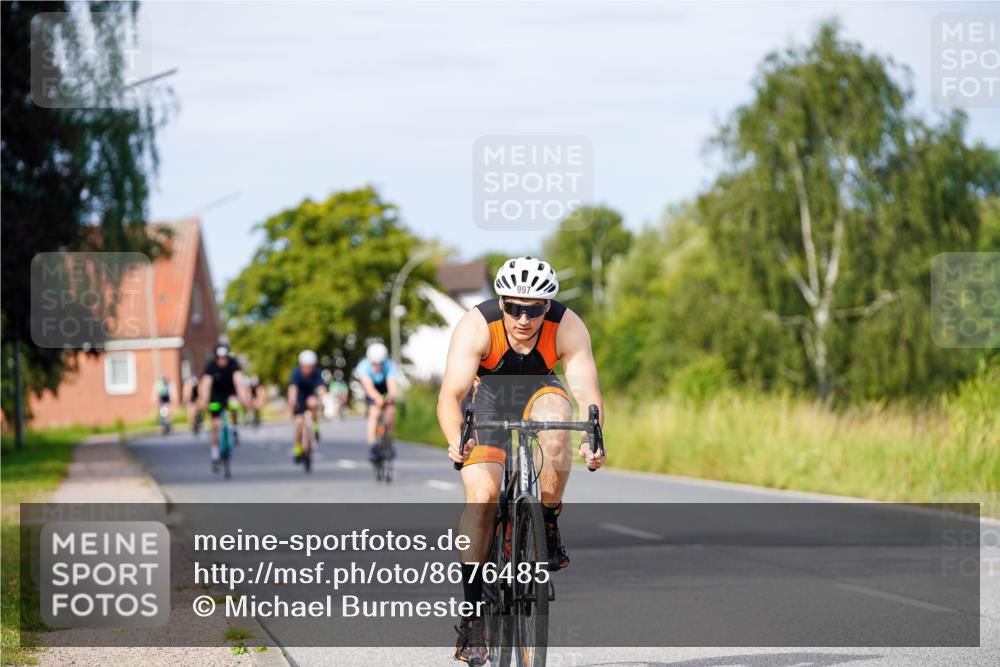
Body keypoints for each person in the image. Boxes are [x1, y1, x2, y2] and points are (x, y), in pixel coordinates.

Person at [437, 256, 606, 664]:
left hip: (539, 390)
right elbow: (450, 395)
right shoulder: (477, 325)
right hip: (487, 400)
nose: (524, 319)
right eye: (514, 308)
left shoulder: (567, 325)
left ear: (548, 306)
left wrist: (593, 438)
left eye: (534, 309)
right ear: (501, 302)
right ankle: (473, 618)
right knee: (482, 497)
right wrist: (456, 439)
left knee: (558, 424)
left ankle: (545, 521)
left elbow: (587, 391)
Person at [198, 343, 248, 472]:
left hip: (230, 393)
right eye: (220, 358)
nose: (222, 361)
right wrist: (204, 400)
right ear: (216, 358)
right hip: (216, 396)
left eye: (225, 358)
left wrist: (242, 396)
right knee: (216, 425)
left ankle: (235, 427)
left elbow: (238, 380)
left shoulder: (233, 364)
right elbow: (206, 384)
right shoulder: (211, 366)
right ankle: (215, 454)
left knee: (234, 404)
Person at [355, 342, 398, 463]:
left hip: (384, 388)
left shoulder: (389, 365)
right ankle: (372, 445)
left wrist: (390, 396)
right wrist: (378, 399)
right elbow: (369, 388)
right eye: (374, 364)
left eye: (380, 364)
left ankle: (388, 439)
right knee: (374, 413)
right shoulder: (363, 367)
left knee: (390, 411)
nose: (377, 366)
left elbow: (391, 386)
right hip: (372, 389)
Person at [288, 349, 326, 464]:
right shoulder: (296, 373)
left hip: (310, 394)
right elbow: (293, 389)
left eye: (311, 367)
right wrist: (292, 401)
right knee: (299, 423)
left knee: (313, 403)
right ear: (301, 365)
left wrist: (323, 401)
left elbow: (321, 388)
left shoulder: (317, 373)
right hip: (300, 396)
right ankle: (297, 448)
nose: (308, 369)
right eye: (306, 367)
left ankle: (315, 427)